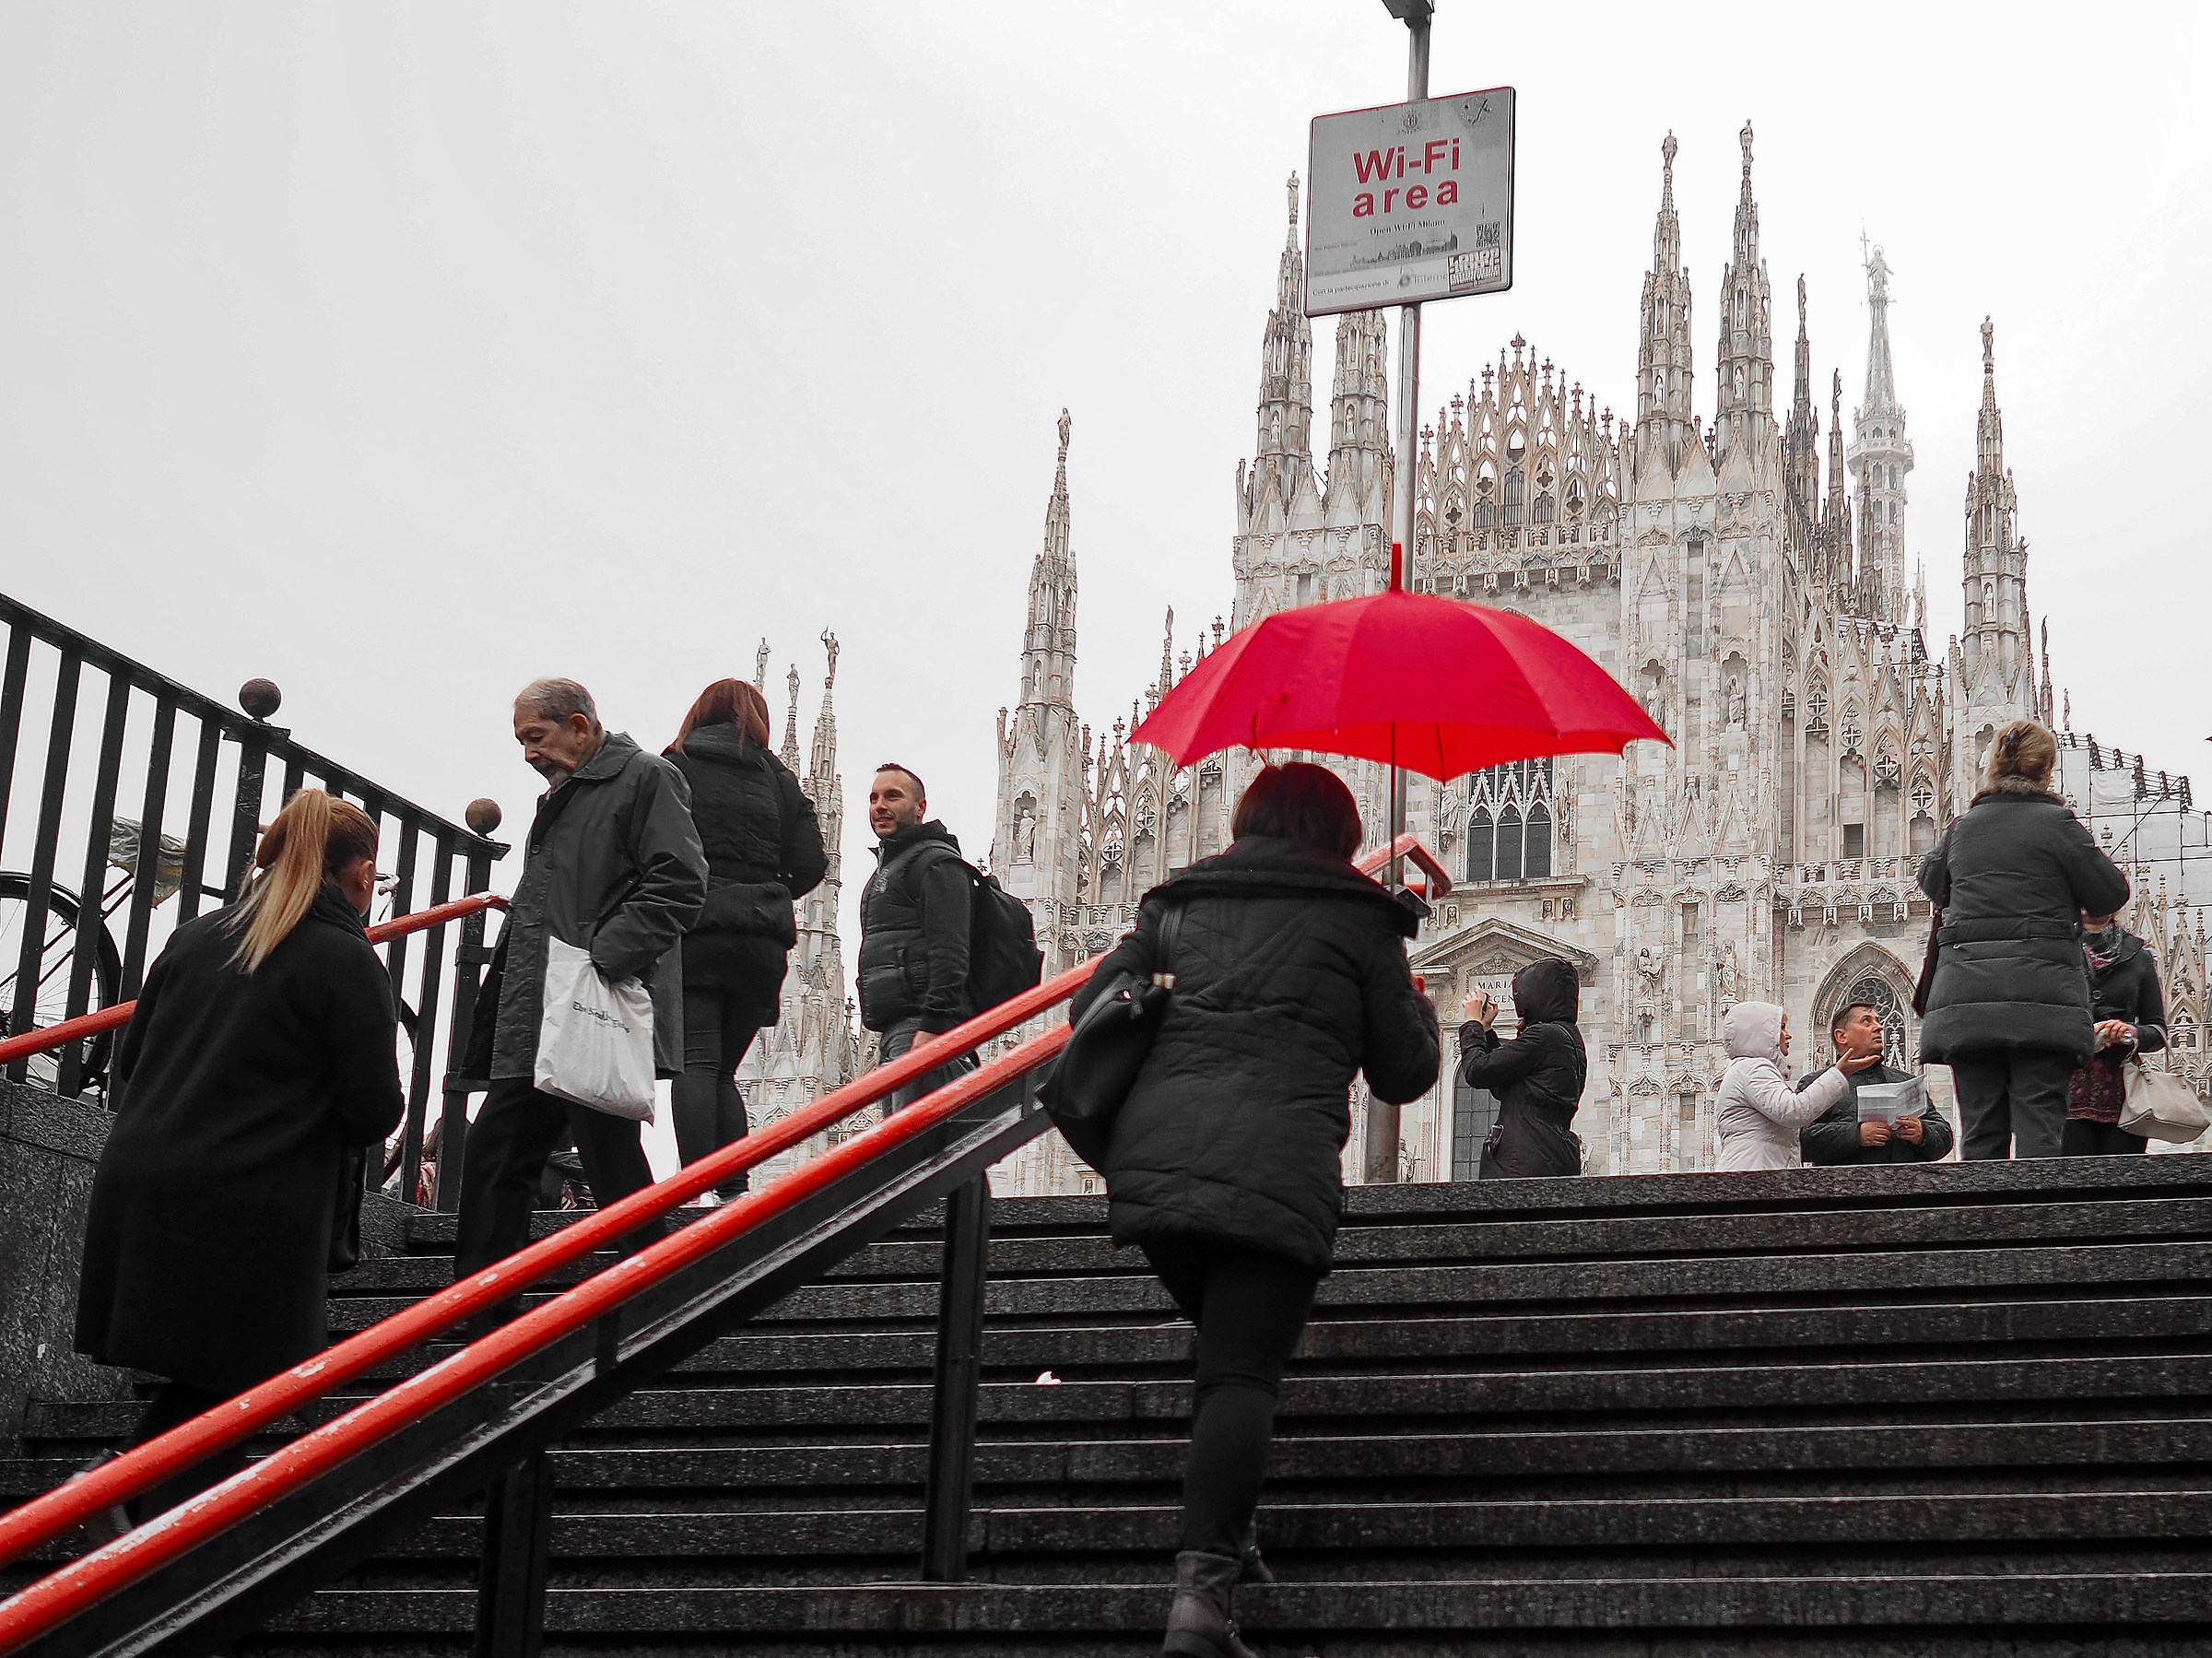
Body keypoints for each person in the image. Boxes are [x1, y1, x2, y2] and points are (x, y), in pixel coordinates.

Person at [1069, 763, 1440, 1658]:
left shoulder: (1176, 900)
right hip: (1272, 1170)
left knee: (1225, 1357)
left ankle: (1232, 1534)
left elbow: (1089, 1006)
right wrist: (1409, 993)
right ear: (1344, 835)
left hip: (1155, 1176)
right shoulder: (1358, 914)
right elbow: (1405, 1071)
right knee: (1240, 1376)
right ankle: (1200, 1602)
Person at [74, 789, 403, 1522]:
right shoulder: (344, 956)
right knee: (251, 1377)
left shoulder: (194, 936)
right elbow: (375, 1106)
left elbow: (132, 1063)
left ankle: (135, 1504)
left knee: (222, 1374)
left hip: (145, 1177)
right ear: (359, 870)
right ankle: (128, 1498)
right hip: (251, 1194)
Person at [454, 679, 706, 1288]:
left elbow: (680, 881)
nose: (527, 753)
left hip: (588, 998)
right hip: (541, 1002)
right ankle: (482, 1303)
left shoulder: (646, 777)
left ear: (578, 724)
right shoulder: (562, 798)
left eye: (534, 737)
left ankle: (651, 1281)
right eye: (520, 740)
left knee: (600, 1149)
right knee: (501, 1149)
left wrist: (604, 958)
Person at [1917, 720, 2130, 1159]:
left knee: (1979, 1131)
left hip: (1968, 1002)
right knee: (2040, 1132)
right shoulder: (2057, 823)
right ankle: (2037, 1224)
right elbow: (2111, 893)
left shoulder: (1963, 827)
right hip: (2043, 1003)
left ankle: (1981, 1225)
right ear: (2046, 770)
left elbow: (1931, 883)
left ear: (1993, 765)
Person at [664, 679, 827, 1201]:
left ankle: (694, 1190)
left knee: (695, 1062)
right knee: (724, 1071)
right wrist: (770, 892)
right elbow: (811, 863)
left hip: (698, 930)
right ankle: (732, 1189)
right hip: (760, 941)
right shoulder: (778, 779)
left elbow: (650, 846)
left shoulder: (676, 764)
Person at [856, 762, 975, 1113]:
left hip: (920, 1029)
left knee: (916, 1152)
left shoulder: (935, 864)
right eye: (874, 797)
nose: (880, 805)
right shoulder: (893, 866)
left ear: (920, 807)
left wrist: (932, 1027)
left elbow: (951, 951)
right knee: (908, 1153)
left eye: (893, 796)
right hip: (895, 1030)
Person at [1456, 958, 1585, 1178]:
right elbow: (1504, 1084)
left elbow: (1476, 1071)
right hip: (1550, 1153)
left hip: (1523, 1159)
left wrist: (1472, 1024)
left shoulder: (1545, 1037)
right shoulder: (1568, 1038)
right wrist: (1487, 1031)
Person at [1714, 1001, 1881, 1171]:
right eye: (1781, 1028)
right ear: (1761, 1033)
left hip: (1757, 1170)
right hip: (1752, 1173)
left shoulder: (1748, 1069)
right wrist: (1840, 1073)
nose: (1788, 1035)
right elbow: (1793, 1112)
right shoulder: (1753, 1068)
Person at [2063, 908, 2169, 1156]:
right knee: (2069, 1185)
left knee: (2123, 1185)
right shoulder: (2057, 952)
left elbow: (2157, 1030)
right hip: (2065, 1096)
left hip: (2125, 1101)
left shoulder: (2139, 956)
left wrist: (2130, 1031)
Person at [1798, 1001, 1956, 1164]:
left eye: (1878, 1021)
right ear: (1842, 1036)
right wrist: (1856, 1135)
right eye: (1866, 1021)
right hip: (1844, 1187)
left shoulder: (1906, 1081)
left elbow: (1944, 1136)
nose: (1879, 1027)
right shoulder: (1816, 1083)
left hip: (1905, 1186)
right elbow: (1798, 1139)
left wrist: (1922, 1133)